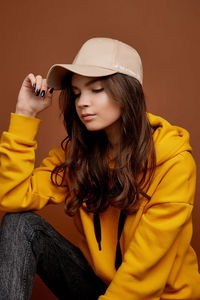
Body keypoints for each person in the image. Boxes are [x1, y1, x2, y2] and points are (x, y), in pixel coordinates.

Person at [0, 37, 200, 300]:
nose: (82, 102)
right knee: (19, 224)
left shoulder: (174, 162)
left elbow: (141, 279)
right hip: (100, 287)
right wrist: (26, 113)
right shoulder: (80, 153)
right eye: (76, 92)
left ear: (127, 92)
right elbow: (11, 196)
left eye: (96, 90)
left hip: (152, 294)